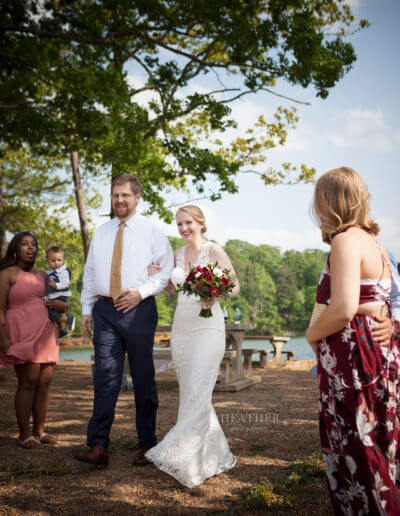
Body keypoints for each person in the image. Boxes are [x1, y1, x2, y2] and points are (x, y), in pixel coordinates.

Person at [306, 167, 400, 514]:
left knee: (357, 454)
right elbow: (376, 301)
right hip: (376, 356)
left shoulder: (345, 240)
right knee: (378, 450)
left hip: (354, 363)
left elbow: (343, 308)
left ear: (329, 202)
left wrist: (311, 334)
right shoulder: (374, 243)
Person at [75, 174, 173, 467]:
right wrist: (87, 308)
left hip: (138, 310)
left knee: (143, 377)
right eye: (115, 195)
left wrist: (140, 292)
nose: (119, 200)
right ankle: (98, 446)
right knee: (105, 377)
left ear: (137, 197)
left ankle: (147, 445)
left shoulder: (152, 231)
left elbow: (165, 270)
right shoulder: (102, 231)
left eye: (125, 195)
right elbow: (90, 272)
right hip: (104, 311)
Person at [145, 205, 239, 488]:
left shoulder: (215, 250)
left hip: (209, 328)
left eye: (188, 223)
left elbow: (234, 286)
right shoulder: (176, 254)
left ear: (200, 223)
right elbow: (174, 289)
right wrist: (158, 277)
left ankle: (193, 464)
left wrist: (215, 294)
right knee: (190, 392)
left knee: (200, 389)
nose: (184, 228)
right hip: (182, 327)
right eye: (179, 224)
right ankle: (212, 454)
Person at [0, 232, 68, 448]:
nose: (31, 247)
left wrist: (62, 307)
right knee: (28, 381)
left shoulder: (42, 273)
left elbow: (58, 299)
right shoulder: (7, 273)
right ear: (15, 247)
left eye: (34, 244)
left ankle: (40, 431)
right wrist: (2, 337)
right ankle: (24, 434)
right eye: (24, 243)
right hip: (22, 332)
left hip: (45, 332)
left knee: (44, 383)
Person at [45, 246, 75, 339]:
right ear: (48, 261)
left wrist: (57, 285)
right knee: (55, 312)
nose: (56, 262)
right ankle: (62, 331)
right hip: (54, 295)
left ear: (63, 260)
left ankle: (68, 319)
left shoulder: (63, 271)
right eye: (53, 260)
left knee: (51, 314)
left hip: (61, 295)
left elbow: (66, 283)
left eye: (59, 260)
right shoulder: (50, 272)